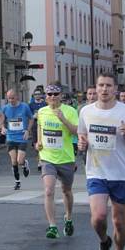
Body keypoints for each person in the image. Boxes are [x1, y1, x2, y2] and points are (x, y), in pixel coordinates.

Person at [78, 73, 125, 250]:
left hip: (121, 174)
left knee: (119, 222)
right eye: (101, 85)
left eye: (108, 86)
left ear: (115, 89)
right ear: (95, 88)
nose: (104, 89)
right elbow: (82, 136)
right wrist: (82, 145)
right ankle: (104, 242)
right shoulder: (86, 112)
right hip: (96, 172)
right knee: (98, 218)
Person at [36, 84, 78, 239]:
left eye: (55, 94)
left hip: (66, 158)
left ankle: (68, 217)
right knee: (48, 190)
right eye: (49, 94)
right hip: (48, 158)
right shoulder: (42, 111)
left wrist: (63, 119)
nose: (52, 97)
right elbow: (40, 128)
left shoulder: (70, 111)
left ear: (61, 95)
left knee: (66, 191)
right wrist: (38, 142)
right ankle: (52, 226)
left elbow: (76, 132)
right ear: (46, 97)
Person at [2, 89, 33, 190]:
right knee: (13, 161)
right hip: (10, 137)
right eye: (9, 98)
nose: (11, 100)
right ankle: (17, 182)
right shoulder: (5, 108)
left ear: (17, 97)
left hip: (22, 137)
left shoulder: (24, 107)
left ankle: (24, 164)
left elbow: (31, 119)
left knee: (19, 161)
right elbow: (0, 119)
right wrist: (2, 127)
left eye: (12, 98)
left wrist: (28, 130)